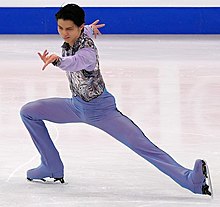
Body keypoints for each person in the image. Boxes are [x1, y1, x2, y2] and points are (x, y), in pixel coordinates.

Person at [20, 4, 212, 196]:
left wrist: (58, 61)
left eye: (69, 29)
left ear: (79, 27)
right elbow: (81, 33)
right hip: (76, 106)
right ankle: (51, 166)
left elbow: (75, 62)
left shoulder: (88, 52)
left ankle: (190, 180)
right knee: (29, 112)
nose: (64, 33)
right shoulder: (79, 33)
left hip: (101, 110)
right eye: (60, 28)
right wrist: (89, 29)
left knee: (143, 146)